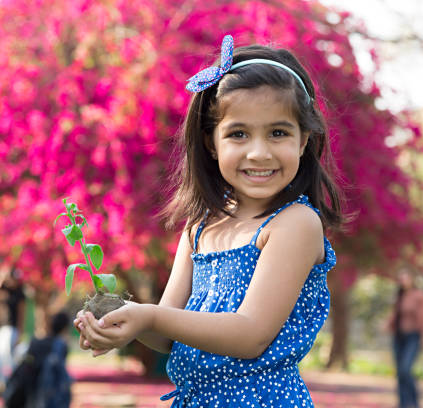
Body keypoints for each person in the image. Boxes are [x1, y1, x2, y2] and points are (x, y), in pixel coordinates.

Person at [74, 34, 342, 407]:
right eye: (238, 134)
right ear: (212, 144)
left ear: (303, 141)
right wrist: (120, 324)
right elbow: (167, 332)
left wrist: (149, 317)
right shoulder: (199, 226)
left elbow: (250, 335)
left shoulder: (294, 224)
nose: (259, 152)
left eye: (278, 133)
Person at [3, 311, 72, 408]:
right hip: (48, 393)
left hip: (30, 390)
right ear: (65, 328)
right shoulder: (59, 345)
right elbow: (61, 376)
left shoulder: (37, 342)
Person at [386, 269, 423, 408]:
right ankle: (402, 402)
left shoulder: (419, 295)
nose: (404, 280)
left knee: (406, 368)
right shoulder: (399, 296)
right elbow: (395, 315)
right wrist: (387, 325)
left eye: (406, 277)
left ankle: (413, 401)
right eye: (401, 278)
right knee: (400, 371)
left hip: (413, 336)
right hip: (398, 336)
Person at [0, 267, 26, 392]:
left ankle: (10, 387)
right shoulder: (5, 290)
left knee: (8, 360)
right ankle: (4, 386)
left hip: (12, 330)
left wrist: (20, 333)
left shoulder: (20, 294)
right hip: (3, 329)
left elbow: (22, 315)